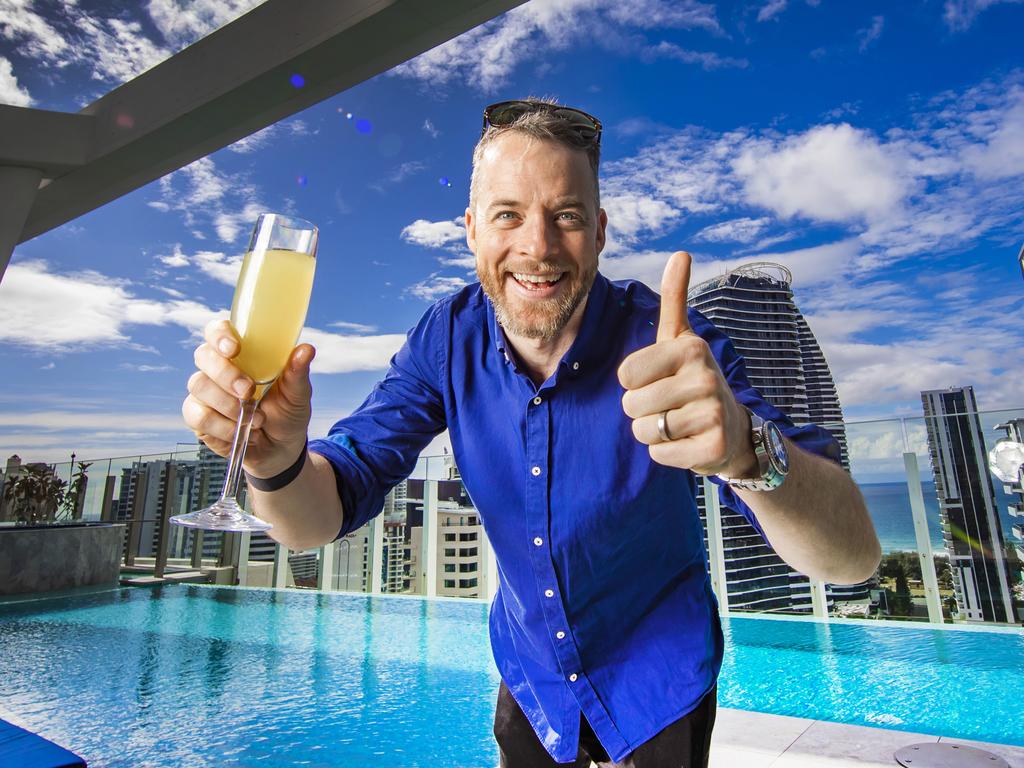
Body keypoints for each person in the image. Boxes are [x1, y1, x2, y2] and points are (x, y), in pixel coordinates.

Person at [183, 98, 881, 768]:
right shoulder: (444, 337)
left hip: (659, 689)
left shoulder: (674, 343)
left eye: (566, 216)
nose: (538, 247)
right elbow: (320, 514)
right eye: (508, 215)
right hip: (530, 682)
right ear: (472, 230)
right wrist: (274, 464)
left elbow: (852, 558)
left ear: (600, 231)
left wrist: (743, 449)